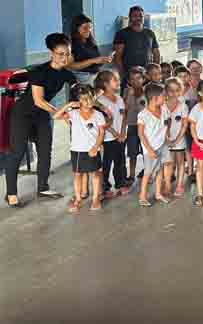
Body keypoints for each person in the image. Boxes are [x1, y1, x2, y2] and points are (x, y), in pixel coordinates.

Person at [5, 33, 78, 206]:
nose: (64, 57)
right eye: (60, 54)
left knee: (45, 150)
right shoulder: (39, 71)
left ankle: (43, 187)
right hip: (23, 113)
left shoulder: (67, 74)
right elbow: (39, 100)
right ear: (51, 53)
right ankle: (11, 193)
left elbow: (78, 93)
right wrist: (61, 113)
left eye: (67, 54)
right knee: (17, 152)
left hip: (41, 115)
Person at [54, 84, 106, 212]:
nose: (88, 102)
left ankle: (95, 199)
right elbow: (55, 116)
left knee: (95, 174)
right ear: (79, 100)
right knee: (77, 174)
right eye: (84, 99)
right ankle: (77, 199)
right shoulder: (73, 113)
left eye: (90, 99)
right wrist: (69, 105)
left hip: (92, 150)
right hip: (77, 150)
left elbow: (101, 133)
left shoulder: (98, 115)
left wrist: (96, 147)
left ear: (94, 98)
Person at [95, 70, 130, 198]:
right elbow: (103, 121)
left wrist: (122, 132)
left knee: (120, 162)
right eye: (115, 80)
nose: (118, 82)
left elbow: (123, 116)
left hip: (120, 137)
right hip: (107, 139)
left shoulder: (119, 98)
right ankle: (105, 188)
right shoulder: (100, 101)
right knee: (106, 164)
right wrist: (115, 133)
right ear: (105, 84)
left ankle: (120, 184)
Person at [137, 82, 169, 207]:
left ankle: (158, 193)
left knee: (160, 170)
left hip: (161, 145)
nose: (165, 98)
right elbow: (141, 134)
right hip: (150, 149)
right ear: (154, 99)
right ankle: (142, 196)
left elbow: (166, 123)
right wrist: (149, 150)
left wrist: (166, 138)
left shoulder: (164, 109)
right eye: (163, 96)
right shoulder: (143, 115)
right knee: (148, 173)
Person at [113, 5, 160, 82]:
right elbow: (117, 57)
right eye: (135, 16)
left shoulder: (150, 33)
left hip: (147, 75)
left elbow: (156, 53)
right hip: (131, 76)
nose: (138, 18)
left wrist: (155, 72)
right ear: (130, 17)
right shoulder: (121, 34)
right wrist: (124, 76)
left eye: (140, 16)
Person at [162, 77, 189, 198]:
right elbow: (162, 125)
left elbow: (184, 125)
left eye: (177, 90)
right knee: (168, 163)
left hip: (179, 139)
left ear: (181, 91)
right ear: (166, 91)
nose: (174, 93)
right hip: (165, 139)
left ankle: (179, 185)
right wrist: (167, 139)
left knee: (180, 162)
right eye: (171, 90)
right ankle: (167, 184)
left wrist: (177, 140)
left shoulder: (183, 106)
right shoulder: (162, 106)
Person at [67, 14, 111, 85]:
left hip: (95, 76)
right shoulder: (71, 44)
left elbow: (95, 62)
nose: (88, 30)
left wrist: (103, 60)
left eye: (90, 27)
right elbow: (71, 66)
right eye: (85, 27)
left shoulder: (90, 41)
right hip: (83, 78)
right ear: (76, 28)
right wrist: (92, 61)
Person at [124, 66, 146, 182]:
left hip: (145, 126)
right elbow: (124, 108)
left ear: (143, 79)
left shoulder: (147, 91)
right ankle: (131, 174)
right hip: (132, 125)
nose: (135, 81)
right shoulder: (127, 91)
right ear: (129, 81)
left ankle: (146, 170)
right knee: (132, 152)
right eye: (132, 79)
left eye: (138, 78)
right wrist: (129, 95)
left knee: (144, 150)